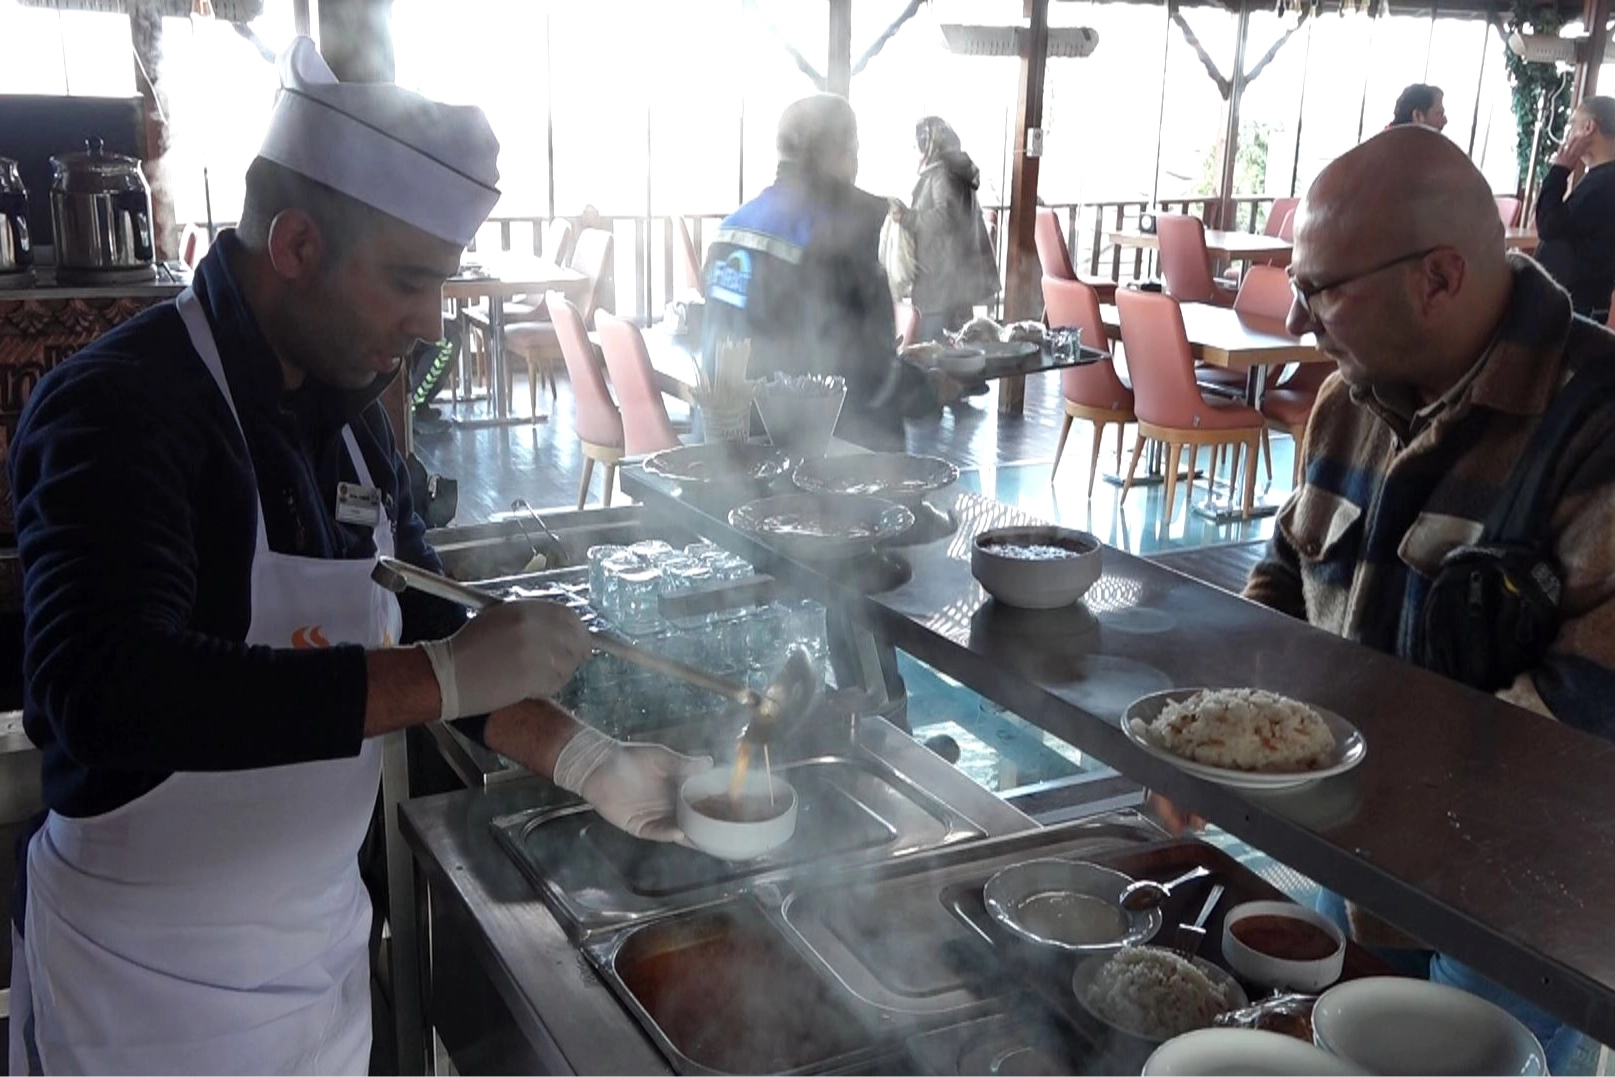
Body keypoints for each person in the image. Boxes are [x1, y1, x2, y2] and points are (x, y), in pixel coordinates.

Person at [7, 38, 708, 1075]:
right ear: (296, 243)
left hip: (319, 963)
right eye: (409, 282)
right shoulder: (123, 407)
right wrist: (443, 673)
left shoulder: (350, 420)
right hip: (145, 996)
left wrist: (586, 758)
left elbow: (422, 620)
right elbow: (105, 692)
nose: (430, 324)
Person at [1244, 125, 1615, 1073]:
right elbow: (1284, 574)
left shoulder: (1596, 425)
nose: (1296, 318)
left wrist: (1350, 782)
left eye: (1320, 289)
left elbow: (1585, 711)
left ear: (1439, 279)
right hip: (1353, 851)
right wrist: (1227, 731)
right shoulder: (1348, 400)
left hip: (1519, 899)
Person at [702, 93, 932, 449]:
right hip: (808, 456)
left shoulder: (730, 230)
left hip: (723, 449)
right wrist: (930, 388)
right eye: (854, 150)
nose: (856, 164)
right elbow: (868, 378)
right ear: (834, 154)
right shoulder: (835, 238)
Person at [892, 116, 1000, 342]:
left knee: (937, 350)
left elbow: (946, 216)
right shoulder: (955, 171)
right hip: (954, 284)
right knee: (957, 346)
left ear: (928, 144)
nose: (915, 150)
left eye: (917, 144)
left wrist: (907, 217)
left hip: (942, 285)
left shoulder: (943, 174)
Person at [1534, 95, 1615, 319]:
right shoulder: (1602, 177)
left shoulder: (1605, 182)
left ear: (1588, 127)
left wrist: (1560, 169)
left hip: (1574, 309)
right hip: (1573, 303)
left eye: (1573, 124)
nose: (1569, 133)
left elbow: (1549, 225)